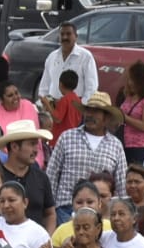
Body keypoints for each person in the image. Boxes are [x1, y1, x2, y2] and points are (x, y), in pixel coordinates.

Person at [45, 91, 127, 225]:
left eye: (96, 112)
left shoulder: (116, 145)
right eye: (88, 110)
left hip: (100, 213)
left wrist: (119, 213)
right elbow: (52, 175)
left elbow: (121, 184)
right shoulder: (67, 137)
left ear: (106, 117)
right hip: (66, 208)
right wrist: (50, 209)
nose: (90, 115)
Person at [0, 120, 57, 233]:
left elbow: (50, 214)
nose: (36, 150)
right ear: (14, 147)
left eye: (36, 144)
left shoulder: (41, 178)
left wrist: (47, 240)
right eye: (32, 144)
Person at [37, 22, 98, 100]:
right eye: (62, 34)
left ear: (76, 36)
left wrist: (82, 107)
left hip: (75, 106)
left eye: (68, 34)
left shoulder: (85, 56)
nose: (65, 37)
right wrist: (45, 104)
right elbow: (44, 86)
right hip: (54, 107)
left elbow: (91, 87)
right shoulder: (52, 57)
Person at [118, 61, 144, 165]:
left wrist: (124, 117)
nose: (130, 83)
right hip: (122, 143)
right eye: (129, 79)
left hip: (139, 147)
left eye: (133, 79)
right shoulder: (129, 96)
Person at [49, 180, 114, 248]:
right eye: (79, 202)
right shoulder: (61, 231)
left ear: (99, 203)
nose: (84, 206)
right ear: (72, 204)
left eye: (90, 202)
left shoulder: (111, 227)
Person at [39, 69, 82, 148]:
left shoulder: (64, 100)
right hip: (72, 138)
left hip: (60, 138)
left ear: (60, 84)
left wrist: (47, 104)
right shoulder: (77, 100)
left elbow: (57, 118)